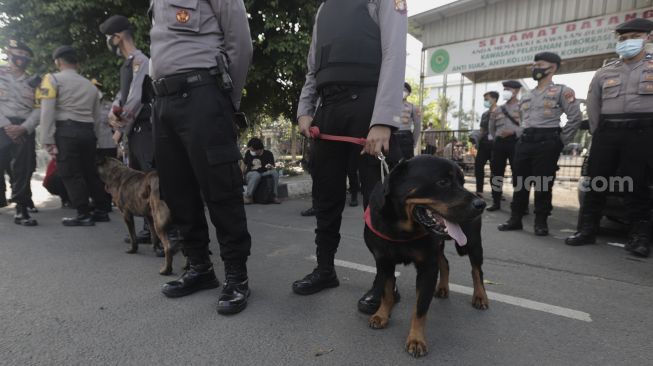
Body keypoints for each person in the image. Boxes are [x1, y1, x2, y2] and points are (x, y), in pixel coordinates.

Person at [294, 0, 406, 317]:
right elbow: (313, 68)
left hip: (368, 107)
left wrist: (383, 120)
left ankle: (386, 283)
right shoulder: (324, 8)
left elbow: (395, 55)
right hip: (328, 111)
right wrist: (305, 111)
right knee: (325, 198)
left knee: (378, 204)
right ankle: (325, 269)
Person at [148, 0, 254, 315]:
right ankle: (199, 267)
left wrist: (226, 100)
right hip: (163, 102)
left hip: (203, 94)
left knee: (221, 188)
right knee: (176, 190)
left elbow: (241, 44)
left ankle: (237, 276)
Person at [566, 18, 653, 257]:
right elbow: (593, 106)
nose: (627, 42)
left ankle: (639, 236)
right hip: (608, 132)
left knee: (637, 185)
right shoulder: (605, 72)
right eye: (623, 39)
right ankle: (586, 230)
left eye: (634, 37)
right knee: (596, 182)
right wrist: (600, 132)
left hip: (643, 132)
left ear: (648, 37)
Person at [498, 52, 582, 236]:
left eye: (539, 64)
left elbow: (575, 117)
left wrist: (561, 141)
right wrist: (521, 137)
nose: (534, 67)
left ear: (552, 67)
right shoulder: (527, 95)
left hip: (548, 140)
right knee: (520, 182)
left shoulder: (562, 91)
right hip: (526, 141)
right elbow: (522, 120)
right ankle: (515, 219)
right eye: (534, 64)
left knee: (543, 183)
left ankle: (540, 221)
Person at [39, 46, 111, 226]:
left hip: (66, 131)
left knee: (70, 172)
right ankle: (102, 209)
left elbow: (47, 111)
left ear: (58, 62)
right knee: (89, 171)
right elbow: (95, 117)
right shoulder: (90, 85)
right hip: (87, 131)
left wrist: (46, 138)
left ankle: (83, 213)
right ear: (76, 63)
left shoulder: (52, 79)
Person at [100, 15, 154, 244]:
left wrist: (118, 119)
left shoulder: (140, 61)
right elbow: (122, 96)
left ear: (118, 37)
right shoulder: (128, 63)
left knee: (151, 177)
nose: (108, 43)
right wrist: (113, 113)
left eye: (109, 38)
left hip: (146, 127)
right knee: (138, 176)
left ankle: (169, 233)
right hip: (134, 129)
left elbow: (135, 98)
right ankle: (148, 228)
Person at [0, 39, 40, 226]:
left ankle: (21, 208)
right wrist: (6, 125)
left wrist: (25, 127)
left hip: (24, 127)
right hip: (2, 125)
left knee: (23, 169)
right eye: (18, 53)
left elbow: (40, 108)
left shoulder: (35, 82)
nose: (21, 58)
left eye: (25, 56)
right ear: (8, 52)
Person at [486, 81, 522, 211]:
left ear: (517, 91)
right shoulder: (498, 109)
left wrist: (514, 132)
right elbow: (491, 128)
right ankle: (496, 201)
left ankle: (520, 204)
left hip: (516, 142)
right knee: (496, 174)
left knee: (518, 173)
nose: (506, 91)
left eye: (509, 89)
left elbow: (528, 125)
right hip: (499, 144)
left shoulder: (523, 107)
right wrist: (497, 137)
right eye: (504, 89)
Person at [473, 91, 498, 197]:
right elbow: (482, 129)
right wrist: (476, 138)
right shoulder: (485, 114)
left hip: (496, 145)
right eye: (484, 100)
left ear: (494, 99)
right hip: (484, 144)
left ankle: (497, 193)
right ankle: (479, 190)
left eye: (487, 99)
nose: (485, 102)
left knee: (496, 169)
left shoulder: (501, 112)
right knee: (478, 166)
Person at [243, 138, 281, 204]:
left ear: (259, 149)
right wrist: (241, 174)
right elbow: (244, 164)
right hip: (251, 174)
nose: (251, 151)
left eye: (252, 150)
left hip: (263, 173)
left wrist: (270, 167)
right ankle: (248, 197)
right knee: (256, 174)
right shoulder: (248, 153)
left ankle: (274, 196)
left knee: (274, 172)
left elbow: (272, 166)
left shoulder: (268, 154)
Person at [395, 82, 421, 159]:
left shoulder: (414, 107)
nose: (403, 91)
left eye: (405, 90)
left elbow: (418, 125)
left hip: (405, 136)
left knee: (406, 161)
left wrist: (414, 141)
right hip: (392, 135)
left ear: (409, 93)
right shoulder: (391, 106)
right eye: (401, 89)